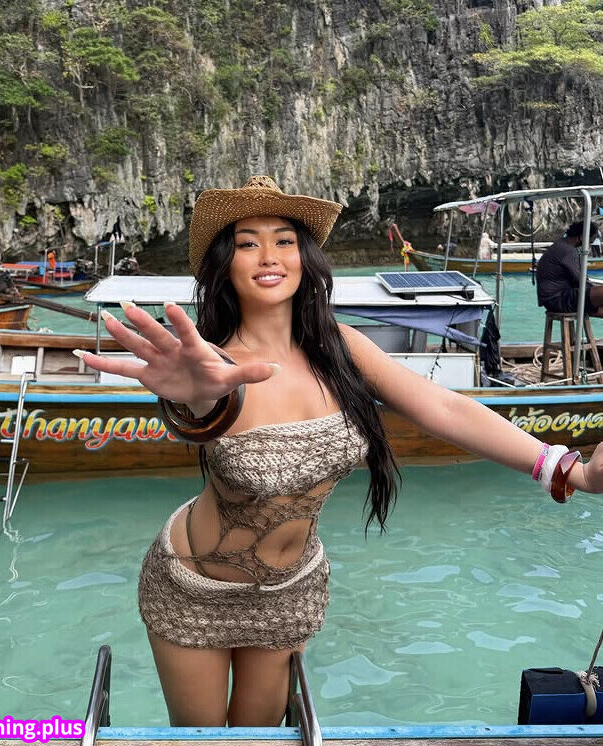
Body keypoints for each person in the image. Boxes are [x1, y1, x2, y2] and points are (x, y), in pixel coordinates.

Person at [73, 176, 603, 729]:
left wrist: (568, 468)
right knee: (203, 742)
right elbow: (202, 413)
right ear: (226, 265)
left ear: (305, 258)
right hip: (195, 585)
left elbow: (444, 408)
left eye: (284, 240)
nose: (269, 255)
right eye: (248, 243)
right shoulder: (213, 366)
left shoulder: (342, 348)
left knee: (259, 739)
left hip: (290, 588)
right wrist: (194, 399)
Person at [536, 220, 603, 316]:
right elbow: (581, 280)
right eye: (590, 242)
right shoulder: (567, 250)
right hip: (558, 300)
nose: (588, 246)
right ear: (582, 237)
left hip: (553, 300)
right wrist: (596, 290)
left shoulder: (561, 244)